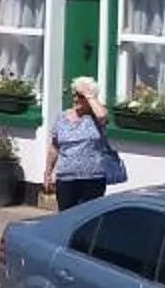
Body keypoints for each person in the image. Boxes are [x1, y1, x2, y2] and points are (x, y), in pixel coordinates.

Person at [41, 79, 127, 210]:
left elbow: (103, 115)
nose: (75, 99)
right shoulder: (62, 117)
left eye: (80, 96)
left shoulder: (97, 116)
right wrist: (48, 173)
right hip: (66, 178)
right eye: (74, 95)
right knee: (66, 217)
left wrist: (89, 95)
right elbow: (54, 148)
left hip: (93, 178)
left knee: (88, 218)